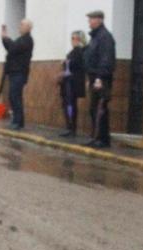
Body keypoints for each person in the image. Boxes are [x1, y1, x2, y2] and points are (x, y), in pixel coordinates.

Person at [83, 10, 115, 148]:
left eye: (92, 19)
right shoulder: (95, 37)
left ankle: (102, 139)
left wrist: (100, 78)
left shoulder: (105, 37)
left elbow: (106, 59)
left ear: (100, 20)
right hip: (94, 76)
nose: (89, 21)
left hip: (101, 78)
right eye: (89, 19)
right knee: (94, 108)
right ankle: (97, 137)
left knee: (100, 108)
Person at [0, 19, 34, 131]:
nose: (20, 26)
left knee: (15, 97)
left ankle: (17, 122)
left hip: (19, 73)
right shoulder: (22, 39)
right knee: (14, 97)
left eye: (22, 25)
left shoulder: (27, 40)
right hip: (15, 72)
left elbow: (13, 47)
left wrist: (5, 38)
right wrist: (4, 38)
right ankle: (18, 121)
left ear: (28, 28)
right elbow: (11, 48)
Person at [58, 31, 86, 138]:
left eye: (75, 38)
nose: (73, 41)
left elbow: (73, 65)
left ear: (80, 40)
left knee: (70, 105)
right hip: (68, 83)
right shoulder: (74, 51)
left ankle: (72, 128)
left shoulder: (79, 51)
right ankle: (69, 127)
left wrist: (65, 62)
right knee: (67, 105)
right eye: (72, 38)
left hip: (72, 84)